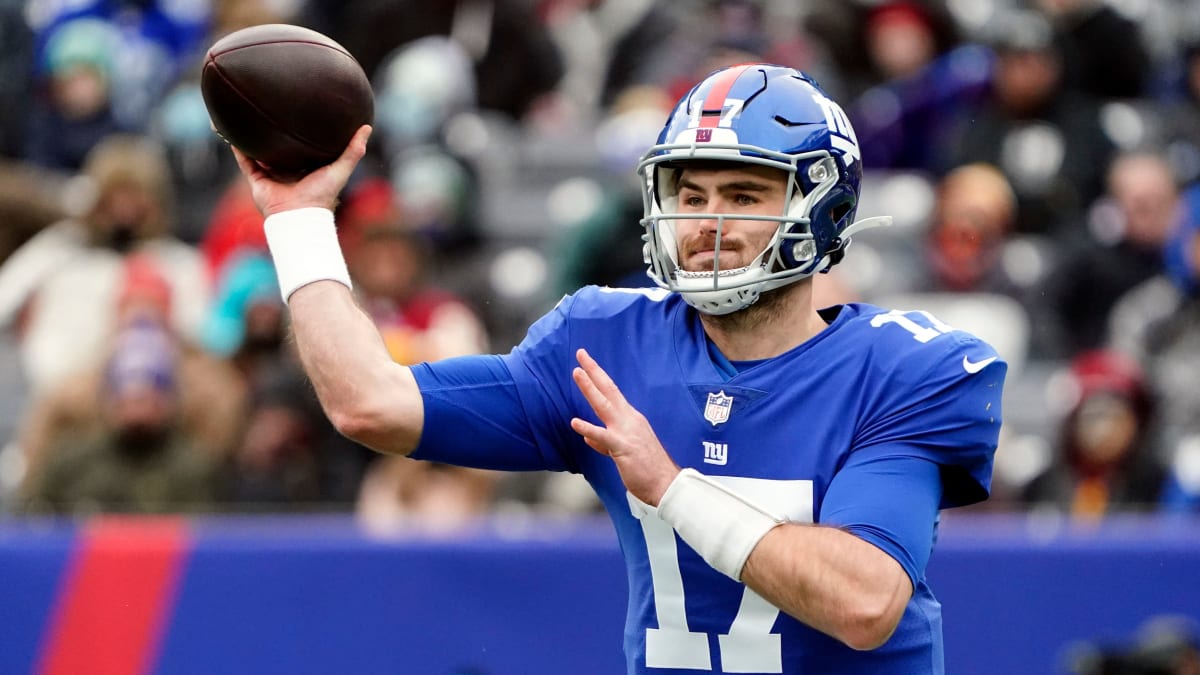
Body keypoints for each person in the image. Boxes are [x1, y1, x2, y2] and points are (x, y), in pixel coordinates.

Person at [233, 64, 1006, 673]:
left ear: (823, 210)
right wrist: (300, 220)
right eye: (690, 192)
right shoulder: (610, 343)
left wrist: (671, 486)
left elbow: (864, 600)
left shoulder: (904, 369)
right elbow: (370, 402)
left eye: (743, 195)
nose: (707, 223)